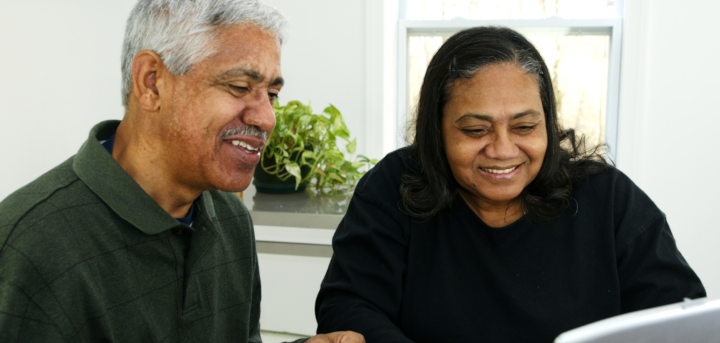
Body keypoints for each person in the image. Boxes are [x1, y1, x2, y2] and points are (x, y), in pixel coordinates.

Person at [0, 1, 363, 342]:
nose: (267, 118)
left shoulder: (230, 218)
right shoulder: (33, 244)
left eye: (271, 94)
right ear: (151, 82)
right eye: (239, 87)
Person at [315, 26, 705, 343]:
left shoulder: (611, 201)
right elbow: (348, 306)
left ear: (548, 124)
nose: (503, 150)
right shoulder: (392, 186)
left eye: (524, 127)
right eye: (475, 129)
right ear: (436, 130)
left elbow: (679, 320)